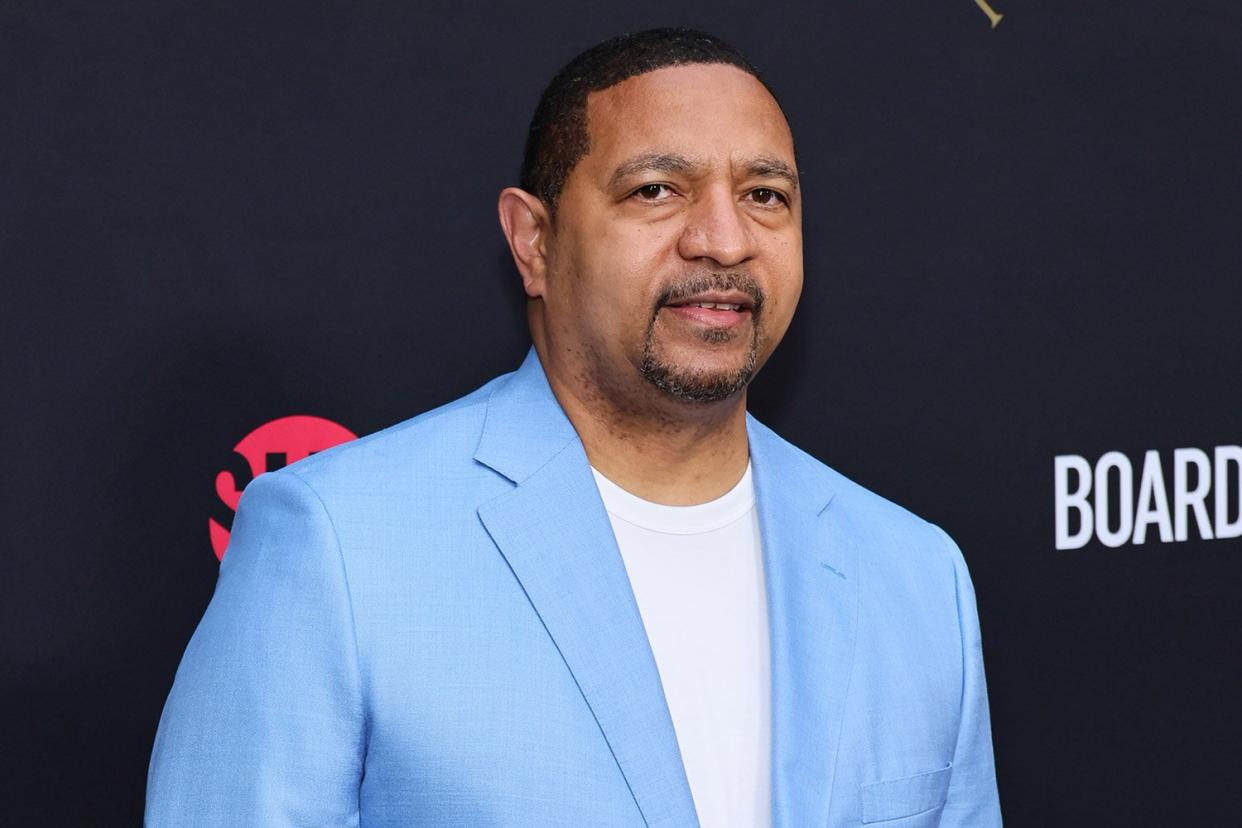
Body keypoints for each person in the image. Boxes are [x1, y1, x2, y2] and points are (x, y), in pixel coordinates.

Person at [146, 27, 1002, 827]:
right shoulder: (335, 546)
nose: (724, 239)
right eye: (657, 190)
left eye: (765, 195)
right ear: (533, 242)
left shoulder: (915, 575)